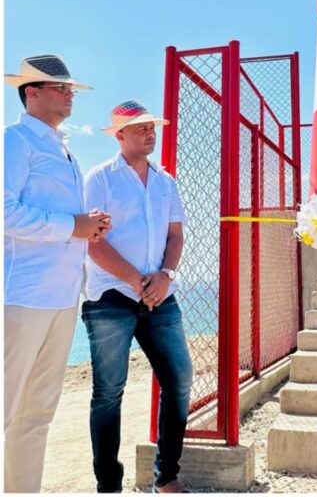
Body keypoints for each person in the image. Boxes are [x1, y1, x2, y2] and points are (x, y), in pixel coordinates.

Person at [4, 55, 112, 493]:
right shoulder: (14, 140)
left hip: (63, 297)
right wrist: (73, 226)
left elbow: (59, 218)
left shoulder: (63, 148)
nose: (69, 94)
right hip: (21, 296)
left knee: (36, 417)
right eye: (59, 87)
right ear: (31, 92)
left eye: (70, 88)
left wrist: (87, 223)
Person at [81, 101, 193, 493]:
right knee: (109, 393)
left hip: (161, 294)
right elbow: (92, 242)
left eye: (152, 127)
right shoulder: (99, 178)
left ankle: (168, 476)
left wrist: (164, 275)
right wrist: (136, 280)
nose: (150, 132)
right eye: (141, 127)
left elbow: (175, 235)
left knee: (179, 381)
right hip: (111, 296)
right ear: (119, 135)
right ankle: (109, 486)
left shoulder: (166, 182)